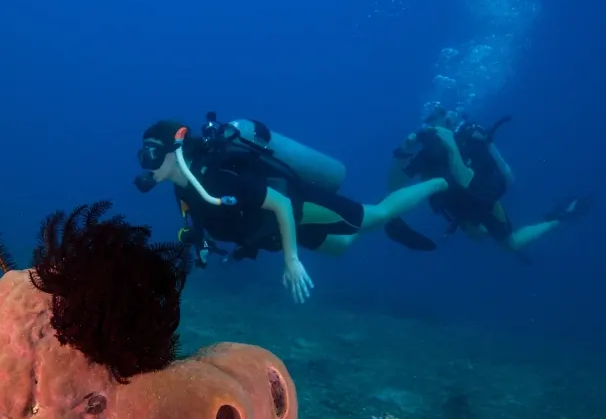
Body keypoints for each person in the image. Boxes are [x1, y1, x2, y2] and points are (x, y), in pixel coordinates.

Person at [133, 115, 449, 304]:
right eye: (143, 155)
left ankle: (437, 183)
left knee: (374, 217)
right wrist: (200, 246)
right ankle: (390, 218)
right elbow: (194, 222)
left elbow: (280, 203)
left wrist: (292, 260)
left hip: (297, 207)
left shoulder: (217, 177)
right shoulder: (182, 188)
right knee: (341, 246)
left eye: (151, 153)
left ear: (175, 151)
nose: (145, 163)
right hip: (271, 233)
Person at [386, 105, 592, 258]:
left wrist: (451, 148)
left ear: (448, 121)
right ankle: (483, 229)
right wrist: (402, 152)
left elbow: (469, 183)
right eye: (428, 124)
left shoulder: (468, 142)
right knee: (477, 237)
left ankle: (557, 218)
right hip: (457, 207)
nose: (431, 129)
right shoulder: (427, 155)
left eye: (436, 121)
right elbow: (394, 186)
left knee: (511, 245)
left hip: (483, 201)